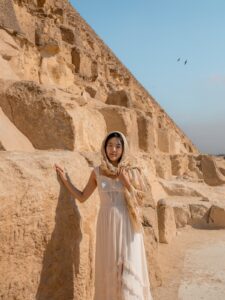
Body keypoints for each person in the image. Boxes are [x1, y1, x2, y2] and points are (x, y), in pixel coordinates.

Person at [55, 131, 153, 300]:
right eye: (110, 145)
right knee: (110, 270)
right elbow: (82, 197)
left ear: (123, 149)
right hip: (107, 225)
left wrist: (126, 181)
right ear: (104, 147)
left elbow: (141, 200)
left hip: (128, 226)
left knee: (127, 271)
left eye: (118, 146)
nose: (113, 149)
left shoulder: (132, 171)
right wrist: (65, 180)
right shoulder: (97, 172)